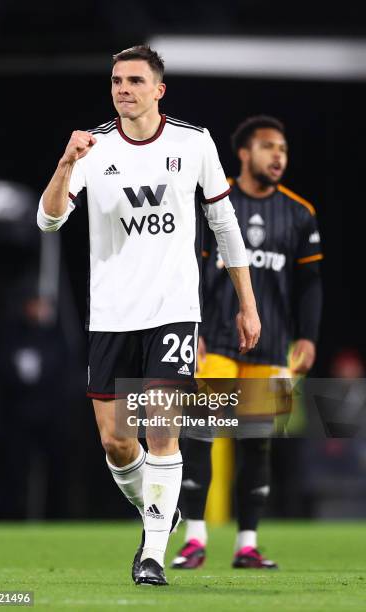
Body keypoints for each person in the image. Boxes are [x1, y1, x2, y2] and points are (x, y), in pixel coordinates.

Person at [37, 46, 261, 586]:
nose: (123, 89)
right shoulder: (94, 147)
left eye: (135, 80)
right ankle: (161, 512)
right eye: (116, 80)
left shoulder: (193, 142)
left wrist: (247, 304)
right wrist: (67, 161)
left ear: (158, 90)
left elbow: (226, 226)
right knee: (116, 441)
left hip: (173, 309)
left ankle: (153, 554)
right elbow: (48, 221)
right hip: (111, 313)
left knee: (162, 427)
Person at [172, 115, 323, 570]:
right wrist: (191, 329)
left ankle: (247, 545)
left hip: (273, 346)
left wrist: (309, 337)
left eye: (283, 149)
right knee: (199, 436)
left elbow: (311, 282)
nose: (278, 156)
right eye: (268, 147)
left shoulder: (299, 213)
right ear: (243, 153)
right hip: (215, 341)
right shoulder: (213, 206)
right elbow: (190, 272)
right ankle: (194, 539)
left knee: (257, 443)